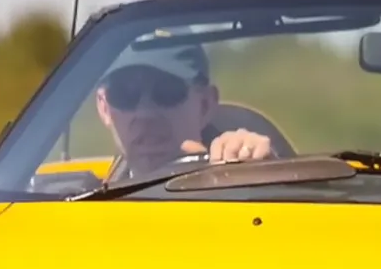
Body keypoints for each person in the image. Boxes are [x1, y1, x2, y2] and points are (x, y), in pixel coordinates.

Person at [92, 40, 276, 182]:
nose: (145, 113)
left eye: (167, 91)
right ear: (104, 108)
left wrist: (262, 175)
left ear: (205, 105)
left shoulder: (239, 180)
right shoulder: (79, 205)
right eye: (124, 94)